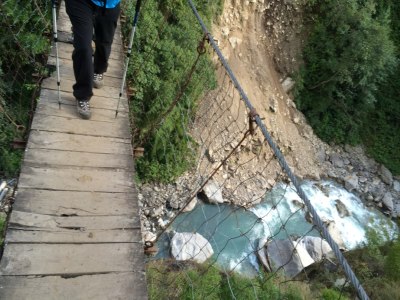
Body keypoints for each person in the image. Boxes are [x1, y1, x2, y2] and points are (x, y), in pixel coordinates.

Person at [65, 0, 121, 119]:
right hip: (80, 3)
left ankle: (98, 70)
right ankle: (83, 95)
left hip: (110, 4)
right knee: (83, 47)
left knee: (105, 42)